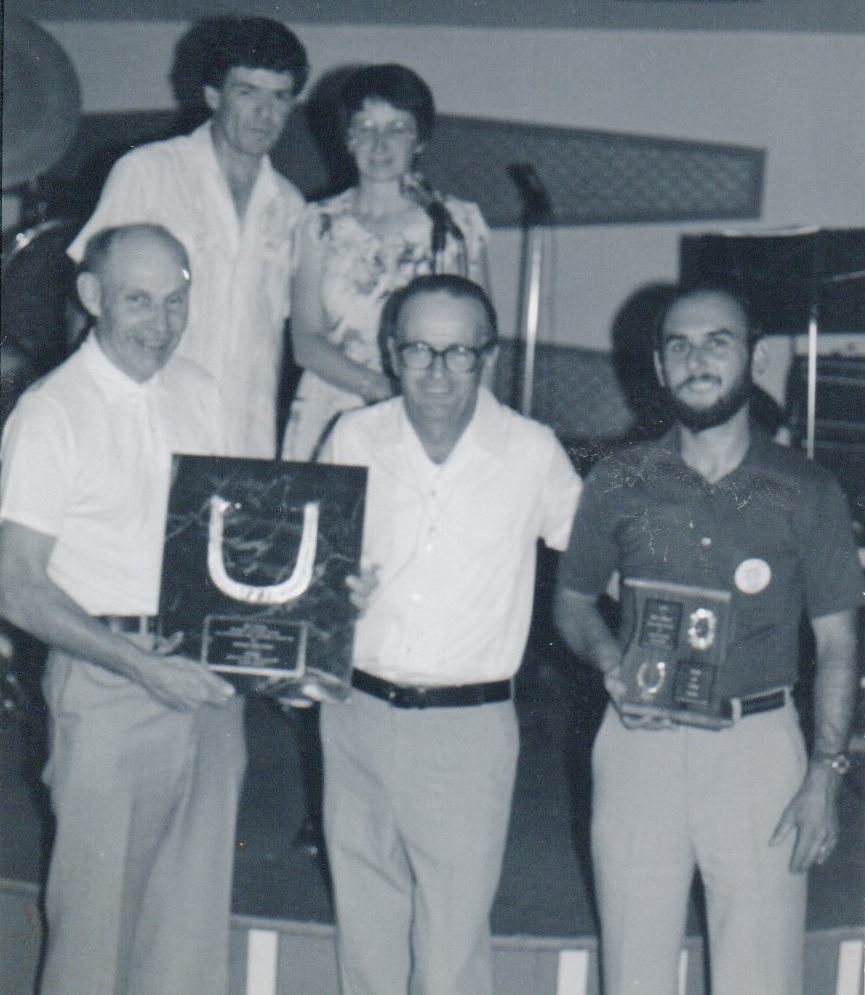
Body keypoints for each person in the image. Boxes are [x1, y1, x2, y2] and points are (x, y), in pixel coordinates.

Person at [553, 284, 862, 995]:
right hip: (638, 747)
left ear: (753, 357)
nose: (697, 359)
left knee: (758, 977)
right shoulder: (616, 479)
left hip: (758, 751)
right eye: (678, 345)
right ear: (659, 368)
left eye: (716, 341)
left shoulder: (806, 488)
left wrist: (825, 772)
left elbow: (839, 641)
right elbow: (571, 603)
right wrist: (608, 659)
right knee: (633, 971)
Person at [316, 274, 581, 995]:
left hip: (467, 730)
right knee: (366, 937)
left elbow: (596, 559)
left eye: (458, 353)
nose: (437, 372)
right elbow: (310, 573)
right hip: (354, 717)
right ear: (393, 354)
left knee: (451, 952)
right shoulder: (352, 438)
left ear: (486, 357)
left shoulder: (530, 451)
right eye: (419, 351)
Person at [0, 224, 245, 995]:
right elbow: (17, 585)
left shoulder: (201, 391)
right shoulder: (51, 413)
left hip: (206, 682)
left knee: (190, 937)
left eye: (176, 302)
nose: (161, 323)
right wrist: (142, 667)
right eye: (139, 301)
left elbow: (234, 542)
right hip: (107, 687)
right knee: (94, 942)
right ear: (91, 296)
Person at [68, 17, 309, 458]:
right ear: (213, 96)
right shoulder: (148, 172)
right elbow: (87, 301)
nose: (264, 114)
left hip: (245, 441)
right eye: (247, 92)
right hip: (145, 429)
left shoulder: (292, 207)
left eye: (279, 97)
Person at [281, 63, 491, 461]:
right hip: (331, 412)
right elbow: (305, 343)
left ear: (420, 140)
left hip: (429, 413)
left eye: (397, 129)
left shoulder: (457, 225)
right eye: (366, 128)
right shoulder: (317, 224)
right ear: (347, 138)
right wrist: (383, 391)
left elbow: (482, 341)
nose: (380, 145)